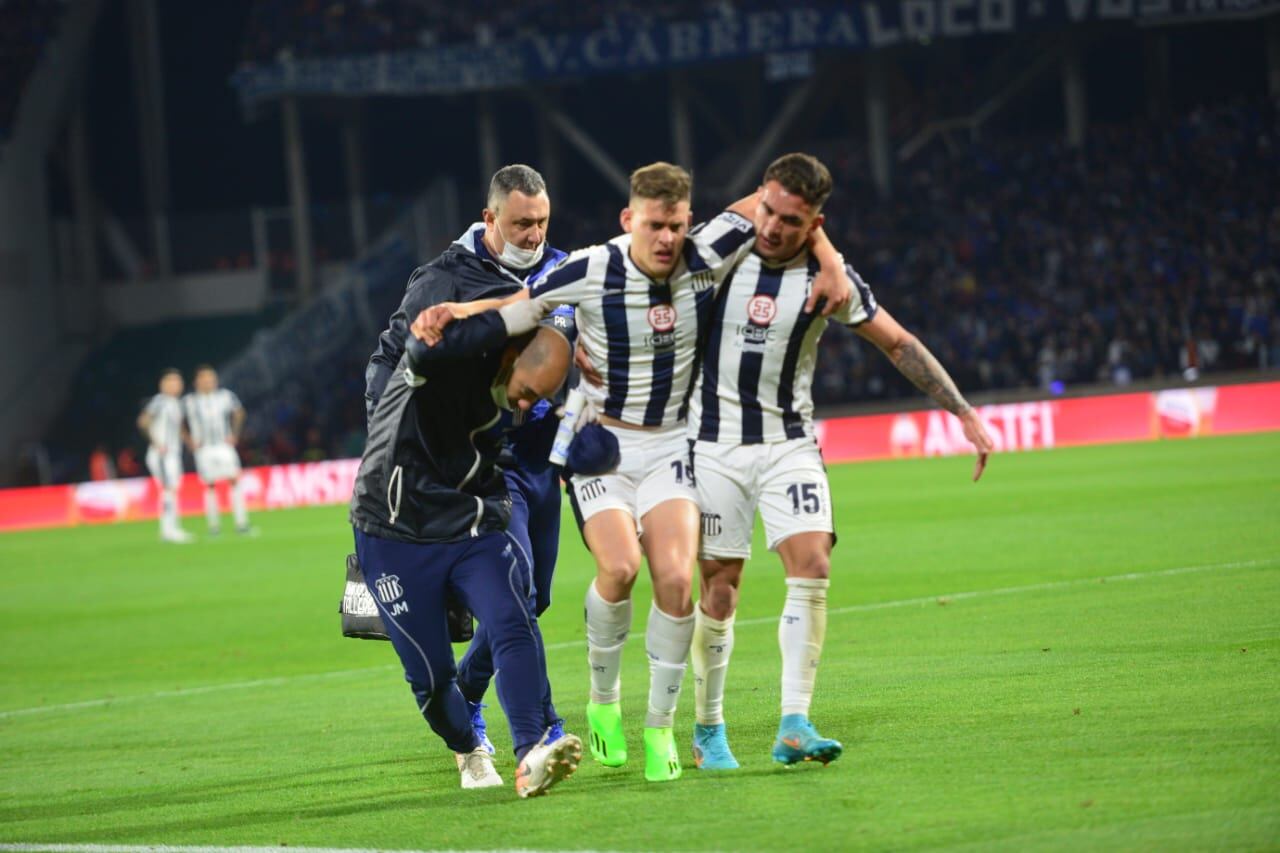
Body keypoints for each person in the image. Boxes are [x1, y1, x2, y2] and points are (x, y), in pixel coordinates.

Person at [414, 161, 854, 782]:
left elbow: (780, 197)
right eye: (654, 225)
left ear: (688, 222)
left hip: (674, 446)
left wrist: (828, 256)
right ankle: (603, 705)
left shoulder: (708, 250)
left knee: (677, 582)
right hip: (600, 445)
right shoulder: (592, 267)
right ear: (630, 220)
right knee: (619, 569)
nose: (667, 239)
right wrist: (455, 316)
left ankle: (658, 729)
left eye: (677, 225)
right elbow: (518, 306)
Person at [685, 153, 997, 770]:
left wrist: (962, 411)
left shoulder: (833, 279)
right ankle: (707, 729)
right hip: (712, 444)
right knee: (721, 588)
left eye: (791, 220)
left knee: (814, 561)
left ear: (815, 222)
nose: (772, 227)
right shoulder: (724, 243)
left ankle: (794, 722)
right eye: (768, 210)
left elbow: (898, 343)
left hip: (789, 443)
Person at [352, 193, 582, 799]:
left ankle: (533, 746)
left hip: (498, 479)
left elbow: (558, 312)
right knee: (433, 678)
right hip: (403, 511)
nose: (533, 234)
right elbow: (404, 352)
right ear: (490, 220)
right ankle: (470, 739)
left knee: (524, 606)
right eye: (520, 223)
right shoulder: (436, 294)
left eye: (541, 223)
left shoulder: (555, 271)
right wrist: (386, 427)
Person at [182, 365, 252, 536]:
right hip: (204, 448)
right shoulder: (189, 401)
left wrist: (234, 434)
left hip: (223, 445)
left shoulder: (225, 396)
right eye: (204, 378)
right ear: (196, 381)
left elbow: (239, 412)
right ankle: (214, 526)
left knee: (234, 479)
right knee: (209, 485)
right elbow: (178, 422)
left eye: (211, 378)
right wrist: (189, 441)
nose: (208, 381)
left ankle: (241, 523)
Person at [137, 368, 192, 544]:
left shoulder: (176, 403)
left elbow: (180, 428)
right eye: (171, 381)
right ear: (163, 384)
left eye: (178, 381)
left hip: (173, 454)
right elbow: (143, 421)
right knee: (168, 490)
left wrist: (189, 442)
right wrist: (156, 442)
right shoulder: (160, 401)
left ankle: (171, 528)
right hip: (162, 454)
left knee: (172, 489)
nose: (175, 385)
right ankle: (169, 530)